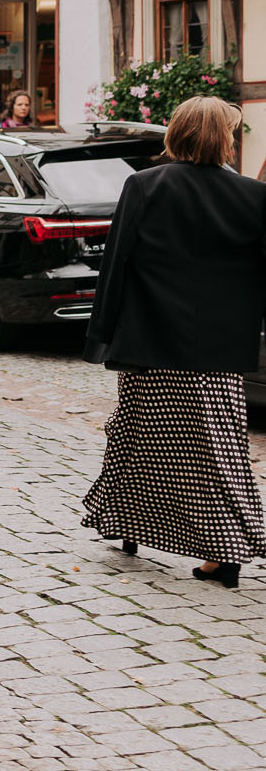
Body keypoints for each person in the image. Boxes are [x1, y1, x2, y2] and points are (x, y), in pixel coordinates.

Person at [83, 96, 266, 587]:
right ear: (223, 137)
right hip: (219, 349)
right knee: (217, 447)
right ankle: (212, 545)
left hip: (150, 342)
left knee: (142, 437)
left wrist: (102, 337)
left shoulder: (145, 185)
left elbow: (116, 264)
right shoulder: (253, 195)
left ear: (177, 132)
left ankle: (200, 542)